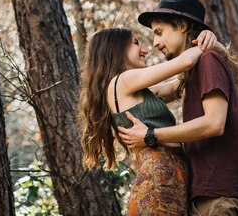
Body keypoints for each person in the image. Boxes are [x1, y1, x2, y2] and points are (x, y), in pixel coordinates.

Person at [117, 0, 238, 215]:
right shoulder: (191, 72)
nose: (155, 43)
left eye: (159, 33)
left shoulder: (209, 60)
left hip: (218, 193)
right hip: (205, 193)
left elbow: (214, 123)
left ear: (181, 25)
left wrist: (151, 134)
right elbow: (155, 92)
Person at [79, 26, 216, 215]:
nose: (144, 50)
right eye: (135, 44)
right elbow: (185, 62)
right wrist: (206, 41)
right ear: (116, 49)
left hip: (167, 177)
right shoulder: (124, 80)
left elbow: (178, 86)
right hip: (159, 180)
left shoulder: (134, 90)